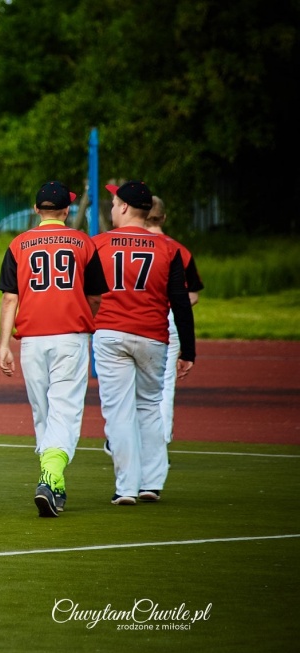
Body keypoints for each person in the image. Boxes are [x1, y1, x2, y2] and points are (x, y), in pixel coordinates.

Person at [0, 181, 110, 517]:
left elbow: (9, 298)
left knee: (43, 412)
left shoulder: (18, 244)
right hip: (70, 336)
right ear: (66, 211)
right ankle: (51, 475)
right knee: (65, 409)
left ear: (36, 210)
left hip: (31, 339)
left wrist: (3, 344)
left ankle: (54, 483)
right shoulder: (82, 242)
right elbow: (95, 296)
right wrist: (80, 316)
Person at [93, 181, 196, 505]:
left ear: (124, 207)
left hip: (110, 332)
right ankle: (151, 482)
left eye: (113, 203)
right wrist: (188, 349)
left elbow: (88, 294)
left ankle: (126, 487)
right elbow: (180, 301)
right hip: (153, 335)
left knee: (118, 412)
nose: (111, 209)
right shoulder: (168, 249)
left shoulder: (98, 244)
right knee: (150, 406)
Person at [143, 196, 203, 444]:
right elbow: (193, 296)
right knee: (165, 386)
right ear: (164, 217)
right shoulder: (179, 250)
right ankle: (160, 443)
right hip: (170, 318)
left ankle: (120, 439)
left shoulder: (130, 245)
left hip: (137, 316)